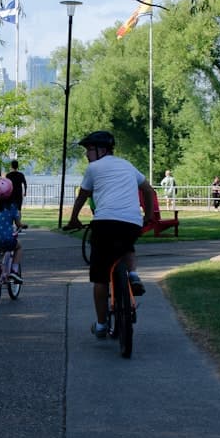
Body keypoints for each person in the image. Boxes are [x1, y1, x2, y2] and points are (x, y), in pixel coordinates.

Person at [62, 130, 152, 340]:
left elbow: (82, 197)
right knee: (127, 245)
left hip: (104, 222)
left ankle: (102, 325)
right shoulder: (128, 165)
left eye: (89, 150)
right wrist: (147, 216)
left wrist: (73, 219)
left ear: (101, 150)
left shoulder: (93, 168)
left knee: (100, 276)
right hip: (131, 222)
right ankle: (133, 275)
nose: (87, 155)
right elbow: (148, 190)